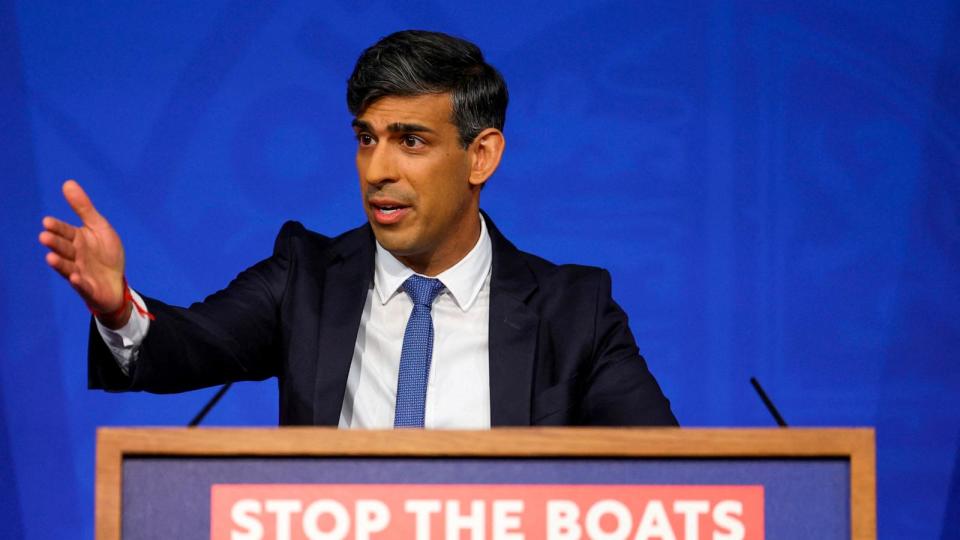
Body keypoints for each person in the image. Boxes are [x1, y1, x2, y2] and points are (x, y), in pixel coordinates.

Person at [38, 30, 677, 428]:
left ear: (480, 156)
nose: (378, 169)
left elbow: (673, 480)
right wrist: (120, 306)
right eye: (366, 139)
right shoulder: (307, 279)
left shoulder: (573, 311)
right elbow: (181, 348)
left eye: (411, 141)